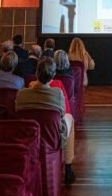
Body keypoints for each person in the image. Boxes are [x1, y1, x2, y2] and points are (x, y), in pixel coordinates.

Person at [16, 57, 76, 185]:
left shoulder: (21, 94)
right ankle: (68, 168)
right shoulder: (57, 94)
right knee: (69, 118)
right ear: (53, 75)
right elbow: (62, 114)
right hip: (52, 137)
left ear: (36, 73)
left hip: (27, 136)